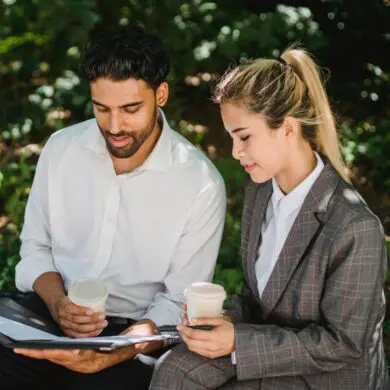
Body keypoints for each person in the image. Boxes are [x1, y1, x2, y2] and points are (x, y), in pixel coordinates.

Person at [0, 25, 226, 390]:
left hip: (133, 333)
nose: (115, 126)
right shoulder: (62, 150)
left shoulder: (200, 183)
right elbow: (36, 249)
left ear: (161, 94)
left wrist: (112, 352)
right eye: (101, 108)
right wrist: (58, 304)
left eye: (131, 108)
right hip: (49, 312)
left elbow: (177, 301)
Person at [149, 47, 389, 389]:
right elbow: (258, 299)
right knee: (174, 368)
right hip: (269, 351)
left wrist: (237, 342)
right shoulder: (261, 193)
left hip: (324, 375)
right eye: (232, 137)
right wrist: (220, 318)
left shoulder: (354, 226)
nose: (235, 152)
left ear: (288, 129)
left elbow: (344, 345)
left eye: (244, 136)